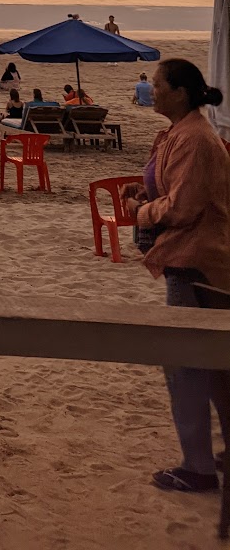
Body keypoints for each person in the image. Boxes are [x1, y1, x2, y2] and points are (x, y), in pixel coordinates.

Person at [121, 59, 230, 495]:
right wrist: (147, 192)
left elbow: (184, 208)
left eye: (158, 85)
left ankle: (198, 467)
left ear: (180, 93)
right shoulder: (180, 134)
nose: (152, 92)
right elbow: (179, 192)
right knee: (215, 366)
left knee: (187, 366)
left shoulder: (194, 139)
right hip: (196, 259)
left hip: (196, 261)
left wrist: (140, 211)